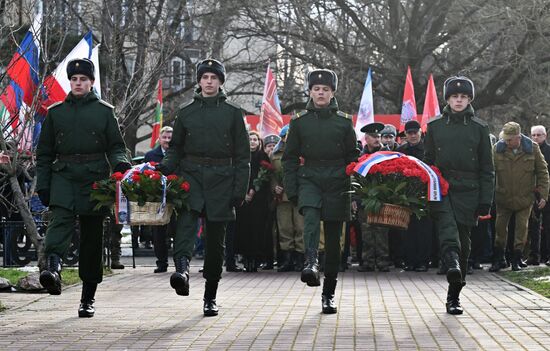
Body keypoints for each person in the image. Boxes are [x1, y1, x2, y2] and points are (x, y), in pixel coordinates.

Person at [36, 58, 131, 318]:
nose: (78, 83)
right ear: (70, 82)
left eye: (83, 80)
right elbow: (44, 153)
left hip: (94, 178)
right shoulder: (56, 113)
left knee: (92, 237)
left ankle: (87, 297)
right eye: (74, 79)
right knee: (60, 222)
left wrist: (120, 165)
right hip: (64, 176)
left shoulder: (104, 111)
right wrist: (43, 184)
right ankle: (52, 270)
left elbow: (116, 145)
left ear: (91, 82)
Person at [158, 58, 250, 317]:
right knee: (185, 226)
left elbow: (243, 156)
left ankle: (210, 295)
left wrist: (239, 190)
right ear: (198, 81)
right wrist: (164, 167)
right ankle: (182, 271)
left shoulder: (233, 113)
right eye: (205, 77)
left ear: (220, 82)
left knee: (215, 242)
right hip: (192, 176)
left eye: (214, 77)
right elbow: (175, 148)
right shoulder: (186, 112)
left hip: (222, 179)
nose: (209, 82)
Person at [282, 69, 358, 314]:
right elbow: (290, 158)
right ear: (310, 92)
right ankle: (311, 263)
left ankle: (329, 293)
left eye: (325, 89)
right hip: (310, 177)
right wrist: (292, 188)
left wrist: (354, 186)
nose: (321, 93)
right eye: (316, 89)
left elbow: (352, 156)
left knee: (335, 241)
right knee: (311, 218)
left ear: (332, 92)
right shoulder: (299, 121)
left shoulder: (344, 121)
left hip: (338, 180)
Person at [424, 76, 494, 315]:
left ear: (469, 99)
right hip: (442, 188)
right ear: (447, 99)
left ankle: (454, 295)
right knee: (448, 230)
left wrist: (486, 200)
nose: (459, 100)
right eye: (454, 96)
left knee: (464, 244)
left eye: (463, 97)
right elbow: (428, 161)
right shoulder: (434, 127)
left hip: (470, 190)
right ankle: (450, 261)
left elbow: (487, 168)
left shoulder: (480, 129)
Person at [489, 122, 549, 272]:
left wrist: (543, 195)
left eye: (510, 140)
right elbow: (489, 173)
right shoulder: (497, 149)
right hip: (503, 197)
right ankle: (499, 259)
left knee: (522, 230)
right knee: (500, 230)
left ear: (518, 138)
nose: (507, 142)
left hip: (525, 198)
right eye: (505, 139)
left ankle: (517, 258)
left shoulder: (533, 149)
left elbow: (543, 173)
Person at [397, 120, 432, 272]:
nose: (412, 136)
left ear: (420, 132)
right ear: (405, 134)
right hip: (406, 194)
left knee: (424, 230)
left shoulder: (428, 149)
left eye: (415, 132)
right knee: (407, 230)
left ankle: (423, 261)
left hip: (424, 193)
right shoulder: (401, 150)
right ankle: (410, 260)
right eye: (409, 133)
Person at [357, 122, 391, 272]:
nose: (377, 139)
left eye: (378, 136)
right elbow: (355, 180)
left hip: (382, 199)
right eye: (373, 136)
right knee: (366, 232)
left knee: (382, 232)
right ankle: (368, 261)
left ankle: (383, 261)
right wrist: (355, 200)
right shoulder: (360, 156)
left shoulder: (387, 155)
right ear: (366, 138)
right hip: (365, 200)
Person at [234, 131, 271, 272]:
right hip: (243, 199)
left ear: (259, 141)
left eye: (255, 139)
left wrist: (254, 190)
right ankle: (246, 259)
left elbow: (265, 177)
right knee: (244, 229)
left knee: (257, 229)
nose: (252, 142)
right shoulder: (242, 156)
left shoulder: (263, 156)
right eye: (250, 139)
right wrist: (244, 192)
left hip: (258, 200)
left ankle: (256, 259)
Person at [271, 125, 304, 272]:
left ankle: (300, 260)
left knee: (300, 227)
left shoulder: (302, 153)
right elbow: (270, 174)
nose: (288, 139)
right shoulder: (275, 154)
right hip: (282, 197)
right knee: (284, 228)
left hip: (299, 195)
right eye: (286, 136)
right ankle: (287, 259)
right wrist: (274, 187)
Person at [145, 126, 174, 273]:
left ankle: (179, 264)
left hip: (175, 196)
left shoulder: (179, 154)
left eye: (170, 138)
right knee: (158, 233)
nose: (167, 140)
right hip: (157, 198)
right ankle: (161, 263)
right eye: (165, 137)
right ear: (160, 139)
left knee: (177, 230)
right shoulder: (151, 155)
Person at [527, 125, 550, 266]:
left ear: (545, 135)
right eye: (533, 135)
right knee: (532, 226)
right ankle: (533, 255)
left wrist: (545, 195)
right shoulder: (528, 151)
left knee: (548, 226)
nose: (536, 137)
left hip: (547, 194)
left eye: (539, 135)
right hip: (532, 194)